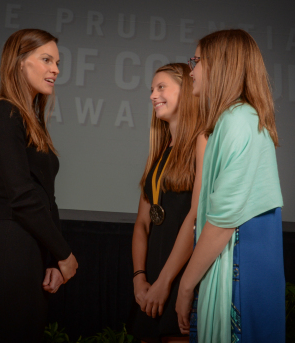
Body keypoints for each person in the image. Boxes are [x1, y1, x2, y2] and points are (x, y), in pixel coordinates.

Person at [176, 29, 285, 342]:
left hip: (242, 272)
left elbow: (223, 221)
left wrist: (185, 288)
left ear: (221, 66)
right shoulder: (237, 120)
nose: (191, 69)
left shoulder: (239, 121)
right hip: (246, 265)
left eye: (197, 61)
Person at [0, 29, 78, 342]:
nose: (56, 69)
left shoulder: (28, 117)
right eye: (46, 59)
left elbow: (46, 198)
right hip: (10, 256)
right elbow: (22, 196)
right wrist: (64, 254)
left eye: (57, 61)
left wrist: (52, 262)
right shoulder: (4, 113)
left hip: (29, 256)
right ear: (19, 63)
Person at [129, 63, 207, 343]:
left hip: (179, 279)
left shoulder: (203, 142)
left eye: (161, 87)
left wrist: (165, 283)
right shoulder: (159, 152)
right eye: (151, 90)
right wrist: (140, 278)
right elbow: (141, 224)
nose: (153, 95)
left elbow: (197, 218)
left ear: (186, 91)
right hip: (151, 284)